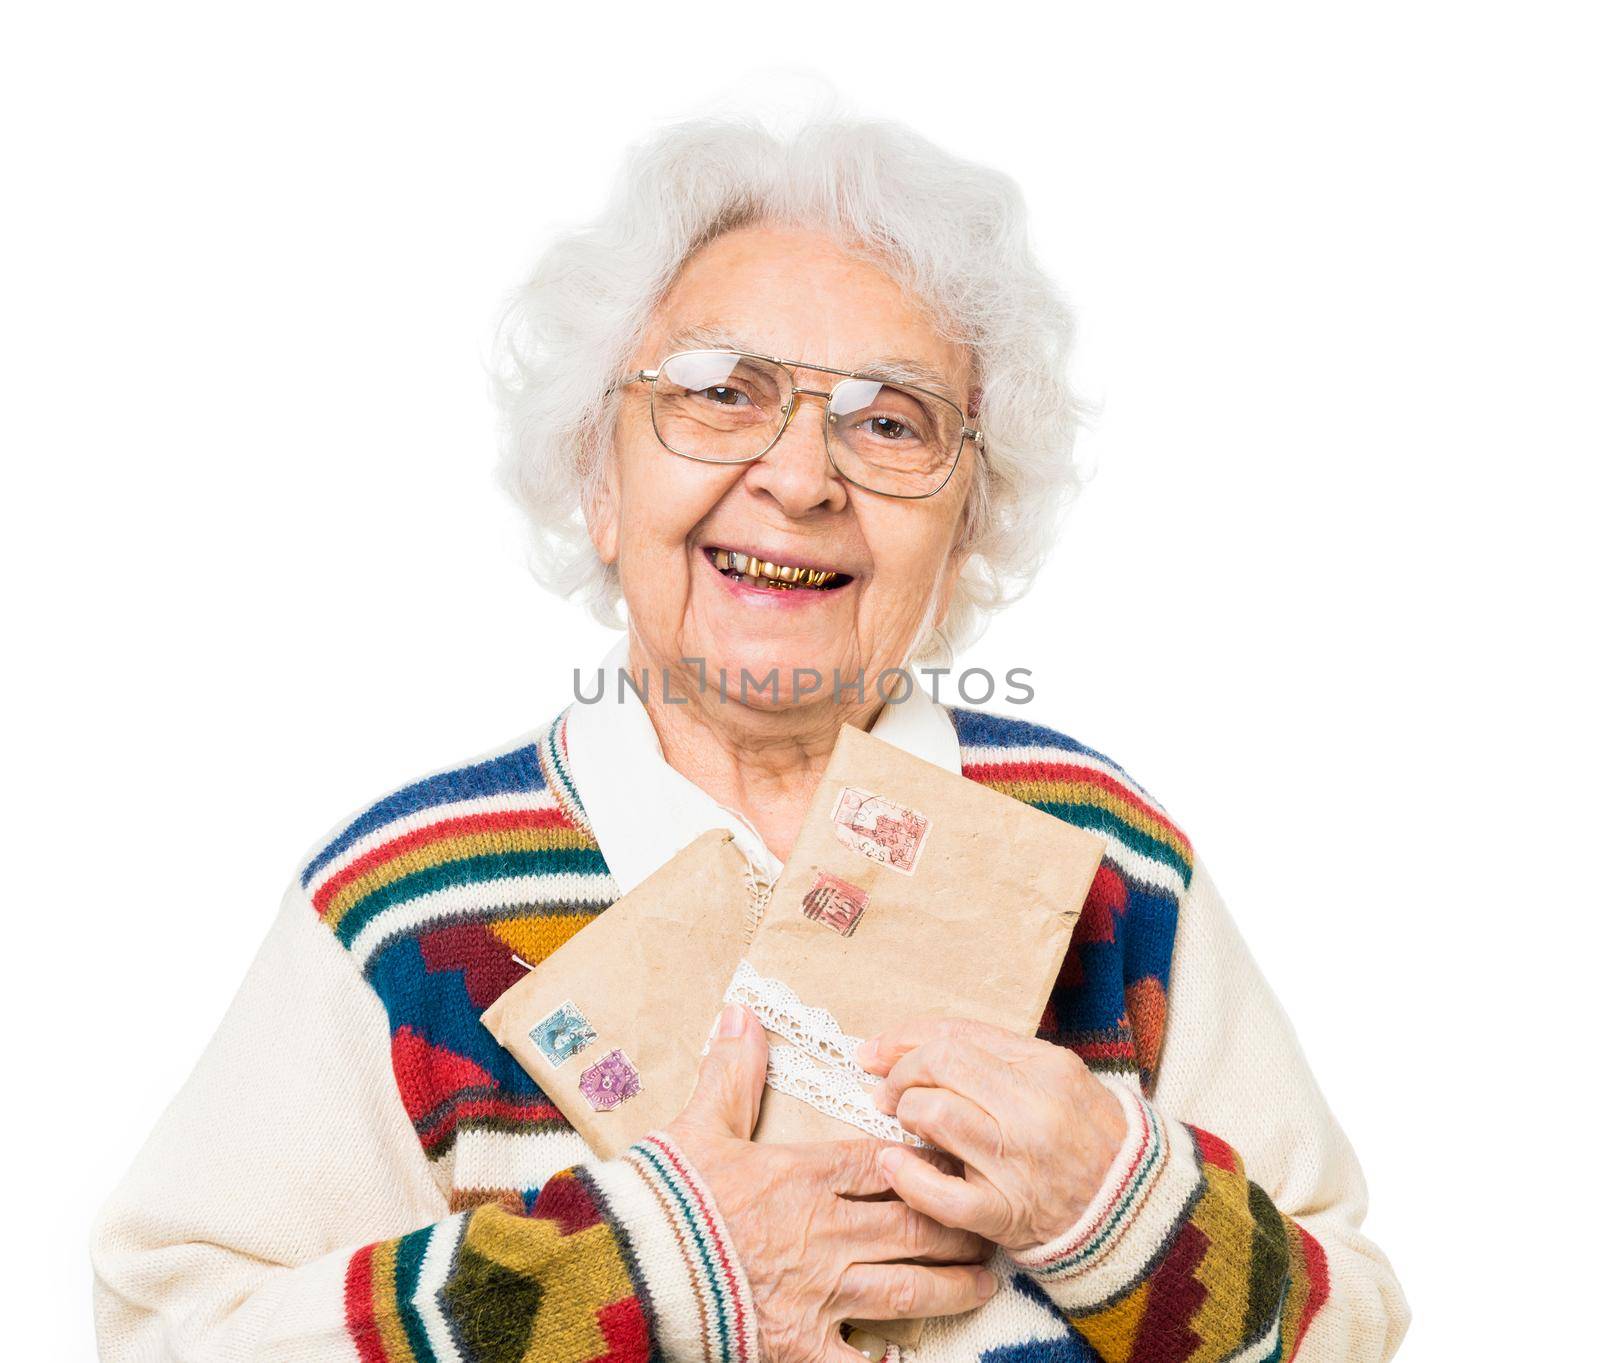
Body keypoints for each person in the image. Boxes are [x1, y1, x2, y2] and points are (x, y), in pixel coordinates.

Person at [90, 113, 1409, 1363]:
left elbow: (1357, 1322)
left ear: (968, 523)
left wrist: (1114, 1203)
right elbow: (167, 1334)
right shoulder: (407, 902)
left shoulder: (1108, 860)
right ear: (599, 480)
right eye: (721, 393)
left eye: (890, 423)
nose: (798, 476)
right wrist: (648, 1266)